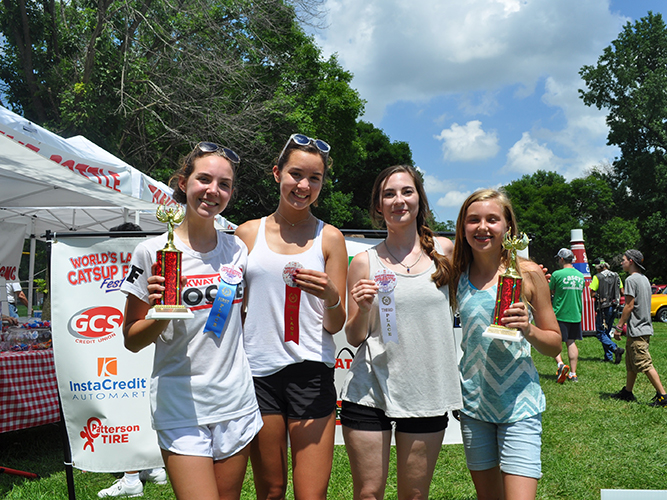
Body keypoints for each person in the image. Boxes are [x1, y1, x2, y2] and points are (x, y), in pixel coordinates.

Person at [120, 142, 263, 500]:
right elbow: (131, 339)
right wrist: (160, 312)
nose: (213, 191)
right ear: (183, 183)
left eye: (224, 184)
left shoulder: (237, 250)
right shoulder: (152, 251)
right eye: (204, 179)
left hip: (235, 402)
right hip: (180, 406)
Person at [339, 165, 462, 500]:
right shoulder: (364, 262)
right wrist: (363, 309)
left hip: (426, 393)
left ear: (419, 199)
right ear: (379, 206)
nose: (399, 200)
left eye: (407, 192)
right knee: (368, 493)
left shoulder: (445, 252)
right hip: (369, 391)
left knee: (415, 495)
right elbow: (353, 336)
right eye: (389, 194)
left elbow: (487, 272)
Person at [235, 133, 347, 500]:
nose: (304, 185)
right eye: (296, 174)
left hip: (311, 372)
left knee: (310, 494)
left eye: (314, 178)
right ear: (276, 173)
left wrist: (331, 296)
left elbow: (336, 323)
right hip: (258, 373)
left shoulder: (330, 238)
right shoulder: (247, 233)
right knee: (271, 490)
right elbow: (234, 308)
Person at [451, 188, 561, 500]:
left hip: (520, 405)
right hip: (475, 405)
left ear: (508, 227)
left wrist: (529, 329)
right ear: (463, 227)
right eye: (473, 220)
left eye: (492, 219)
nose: (482, 227)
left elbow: (554, 344)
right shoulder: (456, 274)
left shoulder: (528, 273)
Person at [97, 222, 168, 499]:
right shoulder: (146, 257)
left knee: (132, 405)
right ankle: (147, 467)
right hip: (137, 343)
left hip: (140, 345)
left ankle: (132, 476)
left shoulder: (145, 258)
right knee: (139, 406)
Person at [611, 250, 667, 407]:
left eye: (623, 260)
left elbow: (629, 305)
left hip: (638, 329)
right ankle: (628, 392)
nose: (622, 263)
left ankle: (663, 396)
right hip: (643, 328)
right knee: (631, 362)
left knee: (644, 363)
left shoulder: (631, 279)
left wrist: (619, 326)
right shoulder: (644, 279)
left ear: (631, 261)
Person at [550, 248, 585, 383]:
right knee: (571, 342)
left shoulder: (557, 274)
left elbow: (551, 290)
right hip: (575, 314)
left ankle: (560, 364)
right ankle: (573, 373)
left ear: (562, 259)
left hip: (559, 313)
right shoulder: (580, 276)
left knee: (555, 342)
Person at [590, 258, 624, 364]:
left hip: (603, 308)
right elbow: (622, 291)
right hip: (614, 306)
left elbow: (592, 293)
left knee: (600, 333)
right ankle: (608, 357)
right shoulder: (616, 276)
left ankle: (615, 349)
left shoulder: (597, 277)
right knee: (607, 332)